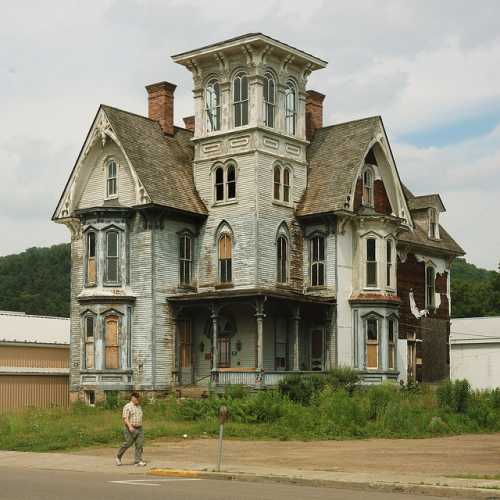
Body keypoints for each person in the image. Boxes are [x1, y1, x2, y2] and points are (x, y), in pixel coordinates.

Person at [116, 392, 146, 466]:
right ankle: (118, 457)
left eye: (138, 398)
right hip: (130, 428)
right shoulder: (127, 406)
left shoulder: (139, 406)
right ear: (132, 398)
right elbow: (125, 418)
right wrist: (130, 426)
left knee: (139, 444)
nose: (138, 400)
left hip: (139, 428)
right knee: (128, 443)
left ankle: (137, 460)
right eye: (136, 398)